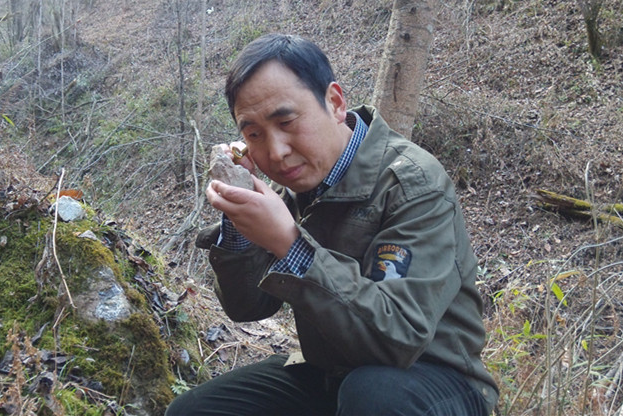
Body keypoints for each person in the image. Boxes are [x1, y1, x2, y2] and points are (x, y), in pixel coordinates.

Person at [166, 33, 499, 416]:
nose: (276, 151)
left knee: (372, 396)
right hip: (332, 372)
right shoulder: (296, 190)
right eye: (254, 134)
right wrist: (240, 218)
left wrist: (290, 243)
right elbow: (247, 307)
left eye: (286, 121)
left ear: (335, 103)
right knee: (194, 411)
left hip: (437, 380)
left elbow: (399, 337)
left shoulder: (413, 184)